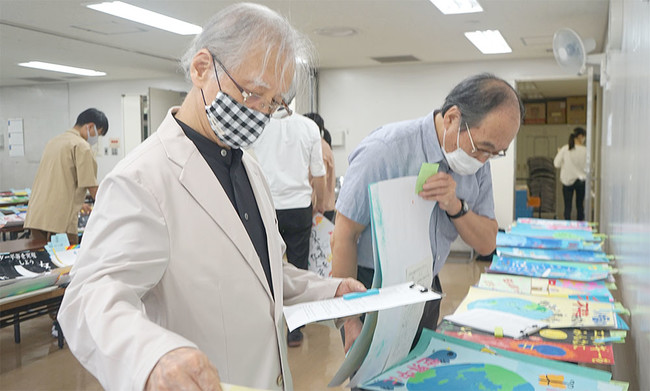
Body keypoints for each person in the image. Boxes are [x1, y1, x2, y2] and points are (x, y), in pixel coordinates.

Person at [57, 4, 365, 391]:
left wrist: (331, 290)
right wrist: (151, 357)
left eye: (274, 103)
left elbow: (263, 274)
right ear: (202, 68)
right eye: (253, 93)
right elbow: (89, 298)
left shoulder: (248, 169)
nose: (261, 113)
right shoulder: (142, 179)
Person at [331, 73, 524, 352]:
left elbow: (487, 242)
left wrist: (455, 206)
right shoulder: (385, 151)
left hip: (426, 286)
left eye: (496, 153)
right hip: (371, 289)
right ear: (452, 118)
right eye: (483, 148)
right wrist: (350, 320)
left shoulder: (480, 164)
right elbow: (343, 236)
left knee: (418, 376)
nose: (484, 160)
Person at [248, 92, 327, 348]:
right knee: (299, 265)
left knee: (265, 269)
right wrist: (321, 205)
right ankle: (295, 330)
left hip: (267, 206)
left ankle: (265, 324)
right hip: (299, 207)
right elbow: (318, 173)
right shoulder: (309, 127)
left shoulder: (258, 125)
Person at [24, 108, 108, 245]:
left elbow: (59, 180)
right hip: (59, 223)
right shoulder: (82, 146)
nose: (96, 139)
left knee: (41, 262)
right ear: (90, 126)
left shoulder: (54, 142)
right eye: (98, 134)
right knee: (65, 263)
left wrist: (79, 203)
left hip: (36, 216)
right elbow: (93, 189)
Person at [304, 112, 337, 222]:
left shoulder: (321, 149)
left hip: (321, 209)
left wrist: (317, 205)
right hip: (321, 207)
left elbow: (319, 180)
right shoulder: (318, 146)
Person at [554, 127, 587, 220]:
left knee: (567, 207)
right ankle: (581, 228)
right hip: (581, 182)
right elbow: (590, 167)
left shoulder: (565, 149)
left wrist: (560, 154)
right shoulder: (585, 150)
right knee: (580, 206)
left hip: (567, 181)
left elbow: (556, 164)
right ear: (580, 136)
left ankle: (567, 227)